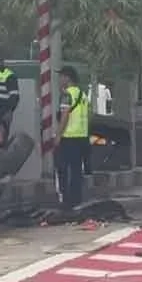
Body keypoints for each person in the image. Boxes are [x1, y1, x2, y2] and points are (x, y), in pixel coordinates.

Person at [54, 66, 90, 210]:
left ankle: (66, 200)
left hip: (68, 137)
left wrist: (58, 135)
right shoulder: (83, 94)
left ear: (67, 78)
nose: (59, 79)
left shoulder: (67, 95)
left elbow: (64, 116)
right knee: (76, 170)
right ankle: (76, 199)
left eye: (61, 76)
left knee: (62, 169)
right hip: (82, 137)